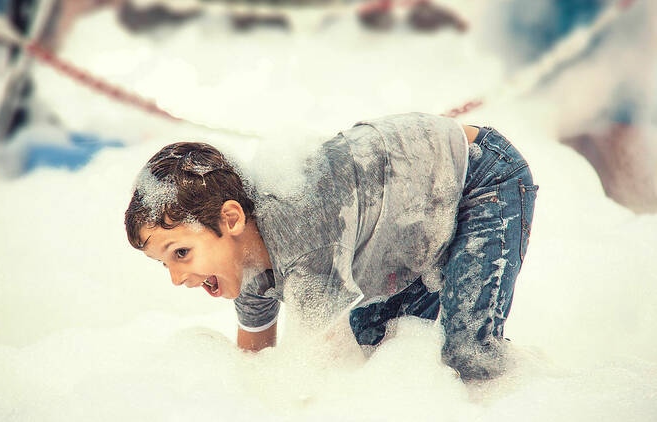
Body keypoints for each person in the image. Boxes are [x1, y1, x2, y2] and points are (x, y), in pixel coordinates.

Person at [124, 112, 538, 381]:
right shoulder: (244, 266)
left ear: (231, 219)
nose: (178, 278)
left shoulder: (300, 234)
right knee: (382, 349)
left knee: (468, 356)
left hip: (478, 178)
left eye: (181, 253)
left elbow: (326, 375)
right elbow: (253, 367)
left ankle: (536, 392)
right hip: (407, 223)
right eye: (165, 264)